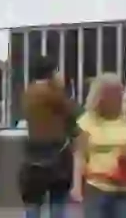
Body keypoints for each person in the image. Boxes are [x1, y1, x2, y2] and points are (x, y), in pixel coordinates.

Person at [72, 73, 126, 218]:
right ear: (100, 97)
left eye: (120, 93)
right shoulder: (88, 120)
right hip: (97, 188)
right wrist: (77, 186)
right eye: (114, 94)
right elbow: (80, 155)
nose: (119, 98)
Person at [19, 55, 76, 218]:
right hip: (55, 152)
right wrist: (62, 88)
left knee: (33, 202)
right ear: (51, 72)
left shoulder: (28, 92)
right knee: (58, 200)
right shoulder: (51, 93)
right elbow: (72, 111)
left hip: (33, 153)